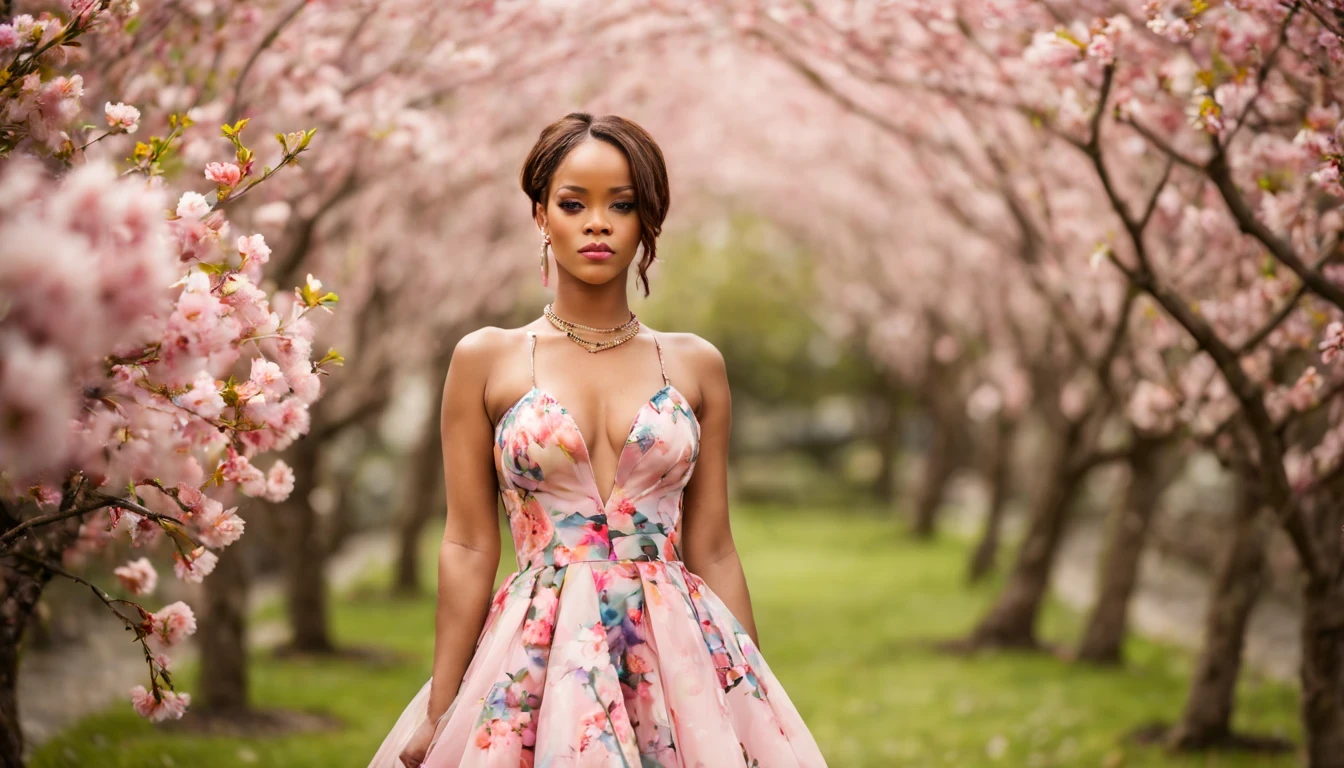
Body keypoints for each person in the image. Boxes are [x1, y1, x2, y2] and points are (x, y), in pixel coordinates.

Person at [369, 112, 828, 767]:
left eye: (623, 204)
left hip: (678, 656)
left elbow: (715, 546)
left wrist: (751, 707)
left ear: (648, 221)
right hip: (537, 650)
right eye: (573, 203)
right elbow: (468, 543)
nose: (596, 223)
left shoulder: (696, 364)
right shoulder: (488, 358)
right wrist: (443, 710)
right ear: (540, 214)